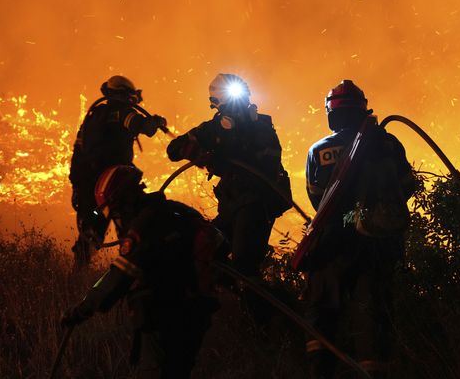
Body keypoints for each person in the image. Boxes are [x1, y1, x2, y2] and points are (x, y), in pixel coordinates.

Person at [61, 165, 221, 378]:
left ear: (126, 202)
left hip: (166, 315)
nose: (116, 221)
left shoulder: (144, 225)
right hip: (195, 311)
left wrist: (83, 309)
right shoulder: (173, 210)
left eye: (115, 212)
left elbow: (120, 275)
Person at [304, 80, 417, 379]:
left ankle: (322, 370)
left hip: (334, 242)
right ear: (363, 108)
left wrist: (347, 216)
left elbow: (316, 197)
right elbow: (406, 186)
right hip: (378, 240)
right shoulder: (388, 143)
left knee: (323, 313)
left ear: (331, 113)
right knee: (373, 313)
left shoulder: (320, 150)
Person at [166, 74, 292, 283]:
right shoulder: (211, 129)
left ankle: (271, 312)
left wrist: (218, 160)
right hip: (231, 204)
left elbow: (267, 164)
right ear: (217, 104)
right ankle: (231, 302)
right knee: (207, 251)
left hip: (255, 203)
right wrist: (190, 148)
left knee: (244, 266)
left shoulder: (262, 126)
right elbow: (173, 150)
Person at [69, 76, 167, 268]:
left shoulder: (93, 117)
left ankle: (76, 277)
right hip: (116, 184)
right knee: (132, 229)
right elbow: (142, 126)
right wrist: (155, 122)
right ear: (123, 94)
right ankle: (131, 275)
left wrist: (76, 185)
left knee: (90, 232)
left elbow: (78, 153)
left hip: (90, 184)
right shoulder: (121, 113)